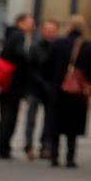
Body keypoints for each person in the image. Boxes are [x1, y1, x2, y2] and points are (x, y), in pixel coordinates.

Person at [45, 15, 91, 168]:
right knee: (73, 125)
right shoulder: (89, 46)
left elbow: (47, 65)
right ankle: (70, 157)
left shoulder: (58, 43)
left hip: (58, 89)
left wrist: (53, 81)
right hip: (78, 93)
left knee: (56, 123)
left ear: (69, 27)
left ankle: (54, 156)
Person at [0, 13, 34, 160]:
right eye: (30, 22)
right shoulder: (19, 36)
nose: (32, 26)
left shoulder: (10, 34)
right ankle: (4, 149)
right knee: (9, 117)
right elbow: (19, 55)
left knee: (4, 115)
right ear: (21, 22)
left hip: (4, 82)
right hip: (13, 84)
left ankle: (2, 147)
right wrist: (29, 58)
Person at [23, 18, 58, 160]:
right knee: (31, 118)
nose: (50, 33)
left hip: (50, 88)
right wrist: (41, 82)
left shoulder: (57, 47)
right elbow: (30, 68)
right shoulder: (35, 47)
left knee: (49, 119)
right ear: (43, 31)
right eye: (47, 30)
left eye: (52, 31)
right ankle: (28, 146)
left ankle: (45, 146)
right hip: (35, 88)